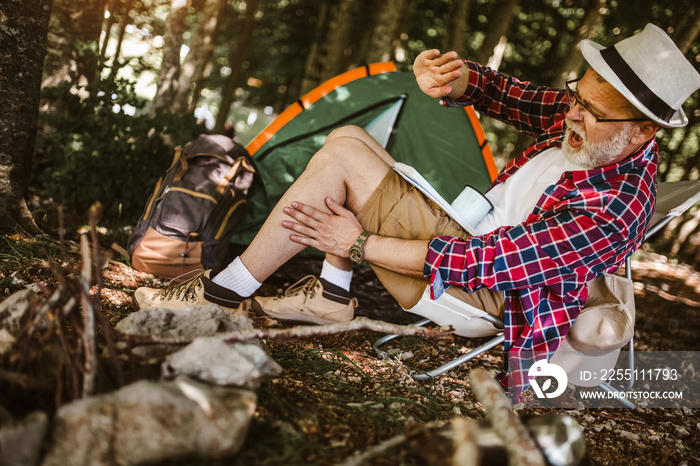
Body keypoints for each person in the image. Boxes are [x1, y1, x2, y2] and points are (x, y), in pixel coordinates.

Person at [135, 23, 700, 396]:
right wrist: (457, 79)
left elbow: (490, 262)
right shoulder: (592, 120)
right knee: (349, 136)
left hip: (487, 290)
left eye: (589, 110)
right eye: (577, 95)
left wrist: (356, 244)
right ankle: (331, 299)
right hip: (467, 237)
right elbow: (514, 95)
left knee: (345, 161)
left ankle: (221, 293)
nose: (571, 114)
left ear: (643, 131)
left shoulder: (616, 207)